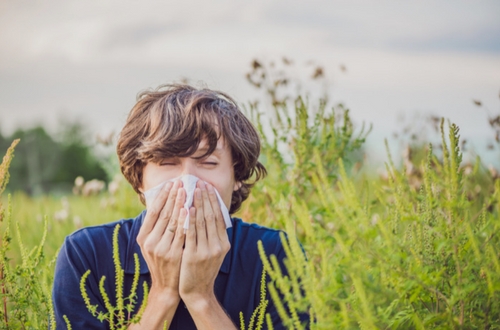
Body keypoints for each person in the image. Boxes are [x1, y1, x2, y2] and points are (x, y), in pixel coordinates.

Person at [52, 84, 308, 329]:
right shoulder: (87, 256)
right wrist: (163, 294)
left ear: (237, 176)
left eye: (208, 163)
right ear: (139, 177)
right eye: (167, 163)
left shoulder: (276, 256)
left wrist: (201, 299)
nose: (188, 182)